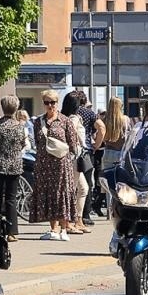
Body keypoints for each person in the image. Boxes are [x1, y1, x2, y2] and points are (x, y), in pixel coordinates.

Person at [32, 90, 81, 241]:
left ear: (57, 103)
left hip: (61, 164)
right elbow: (37, 141)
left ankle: (64, 229)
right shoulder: (38, 122)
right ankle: (53, 229)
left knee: (62, 194)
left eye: (52, 102)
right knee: (49, 194)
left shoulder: (65, 121)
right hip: (44, 166)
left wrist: (69, 156)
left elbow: (73, 144)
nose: (50, 106)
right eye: (47, 102)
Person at [0, 95, 29, 239]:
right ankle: (12, 232)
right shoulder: (19, 126)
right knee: (11, 199)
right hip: (15, 165)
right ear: (16, 108)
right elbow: (23, 143)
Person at [60, 92, 92, 234]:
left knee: (82, 188)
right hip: (73, 157)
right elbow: (71, 135)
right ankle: (71, 221)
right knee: (74, 189)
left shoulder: (66, 117)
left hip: (73, 156)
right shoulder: (73, 119)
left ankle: (77, 219)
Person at [98, 96, 131, 208]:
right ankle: (121, 206)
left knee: (108, 184)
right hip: (121, 154)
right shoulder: (125, 119)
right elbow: (129, 138)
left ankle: (108, 208)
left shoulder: (104, 120)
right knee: (122, 183)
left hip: (108, 152)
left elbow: (99, 135)